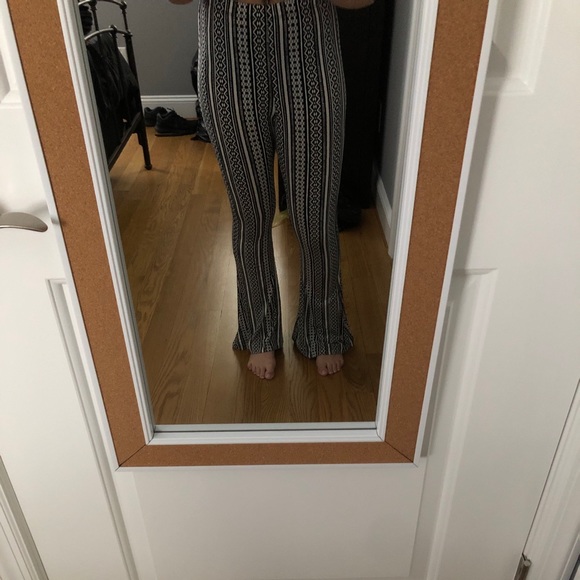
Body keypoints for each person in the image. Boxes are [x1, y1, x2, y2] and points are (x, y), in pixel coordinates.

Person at [170, 0, 356, 378]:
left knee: (316, 215)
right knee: (250, 214)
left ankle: (324, 327)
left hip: (311, 58)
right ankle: (259, 330)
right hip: (228, 60)